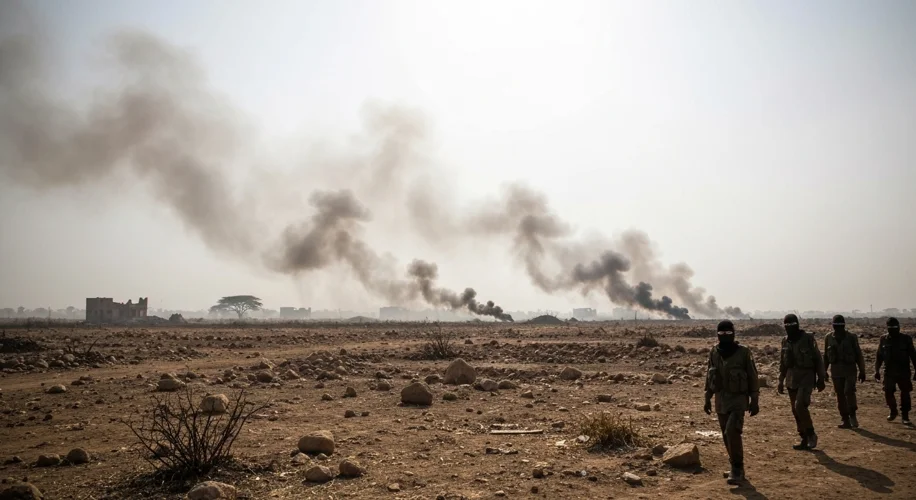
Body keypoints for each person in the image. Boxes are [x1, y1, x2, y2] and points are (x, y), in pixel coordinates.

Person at [704, 320, 760, 485]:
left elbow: (752, 376)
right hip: (720, 400)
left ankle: (737, 468)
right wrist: (707, 398)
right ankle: (735, 466)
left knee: (732, 432)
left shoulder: (743, 352)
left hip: (738, 400)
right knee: (725, 435)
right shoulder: (714, 352)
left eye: (728, 333)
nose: (725, 336)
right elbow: (709, 376)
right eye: (721, 334)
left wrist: (754, 399)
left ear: (734, 333)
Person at [778, 313, 826, 450]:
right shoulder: (785, 341)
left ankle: (811, 434)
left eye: (791, 325)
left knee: (800, 406)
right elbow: (783, 363)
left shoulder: (808, 339)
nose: (789, 328)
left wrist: (821, 378)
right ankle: (803, 437)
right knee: (795, 410)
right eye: (786, 326)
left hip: (807, 375)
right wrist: (780, 380)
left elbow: (818, 359)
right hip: (791, 377)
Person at [823, 314, 866, 428]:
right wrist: (824, 371)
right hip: (836, 371)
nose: (838, 329)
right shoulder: (829, 337)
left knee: (849, 391)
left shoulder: (852, 337)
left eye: (840, 326)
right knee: (840, 395)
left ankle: (852, 414)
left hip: (850, 369)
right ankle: (845, 419)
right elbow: (826, 357)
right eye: (836, 326)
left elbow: (858, 355)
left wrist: (862, 371)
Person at [875, 317, 916, 425]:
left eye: (895, 327)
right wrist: (877, 371)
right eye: (891, 328)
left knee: (905, 393)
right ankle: (893, 411)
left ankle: (905, 416)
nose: (893, 330)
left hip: (904, 371)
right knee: (888, 392)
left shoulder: (906, 339)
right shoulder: (883, 339)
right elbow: (879, 356)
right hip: (889, 371)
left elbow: (913, 356)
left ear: (899, 327)